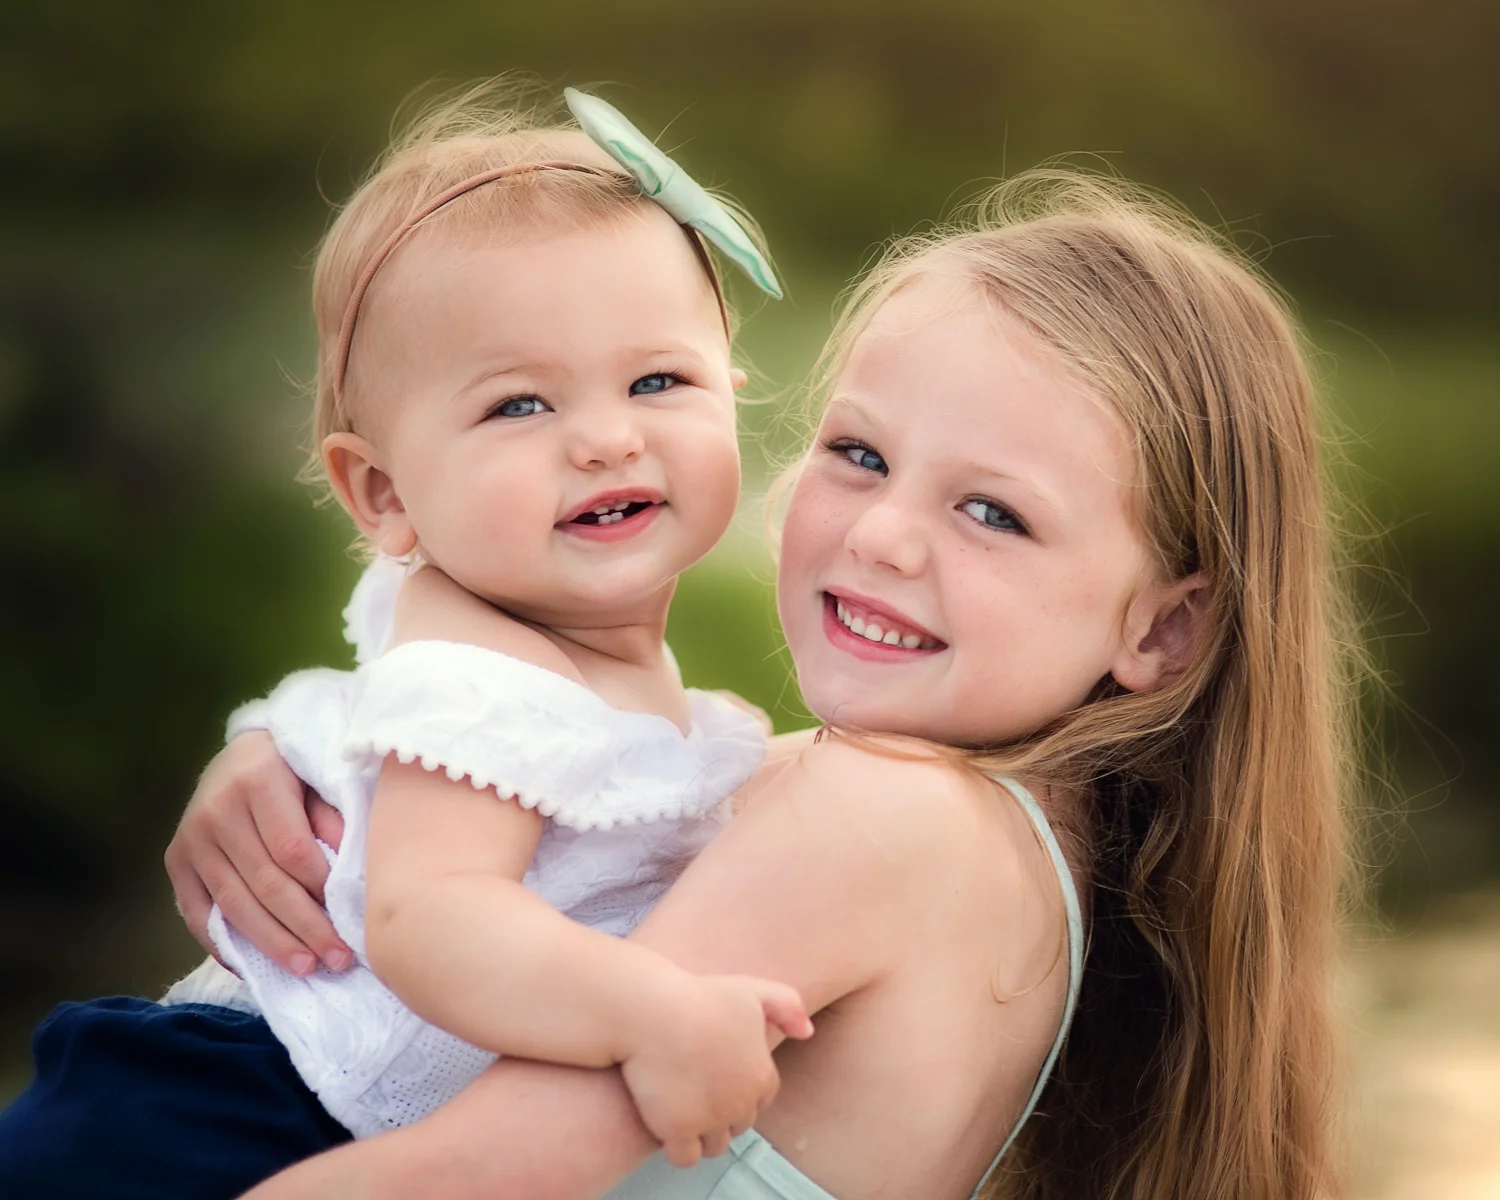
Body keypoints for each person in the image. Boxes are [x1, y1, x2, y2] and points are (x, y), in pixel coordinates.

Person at [167, 168, 1359, 1199]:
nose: (885, 536)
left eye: (994, 512)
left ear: (1163, 628)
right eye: (859, 455)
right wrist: (286, 748)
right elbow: (525, 772)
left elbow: (454, 1179)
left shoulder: (879, 817)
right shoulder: (1006, 847)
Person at [0, 83, 818, 1199]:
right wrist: (653, 1015)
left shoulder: (545, 649)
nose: (606, 438)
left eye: (659, 380)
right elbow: (431, 919)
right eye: (520, 405)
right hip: (218, 1113)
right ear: (383, 492)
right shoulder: (490, 675)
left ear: (732, 395)